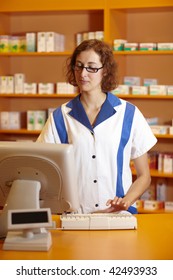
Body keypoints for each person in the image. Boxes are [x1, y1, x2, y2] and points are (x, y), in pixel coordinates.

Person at [37, 39, 157, 214]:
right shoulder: (60, 116)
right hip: (75, 215)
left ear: (105, 71)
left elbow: (144, 176)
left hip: (117, 216)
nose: (83, 74)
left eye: (91, 67)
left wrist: (125, 201)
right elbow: (43, 169)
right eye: (79, 66)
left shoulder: (128, 114)